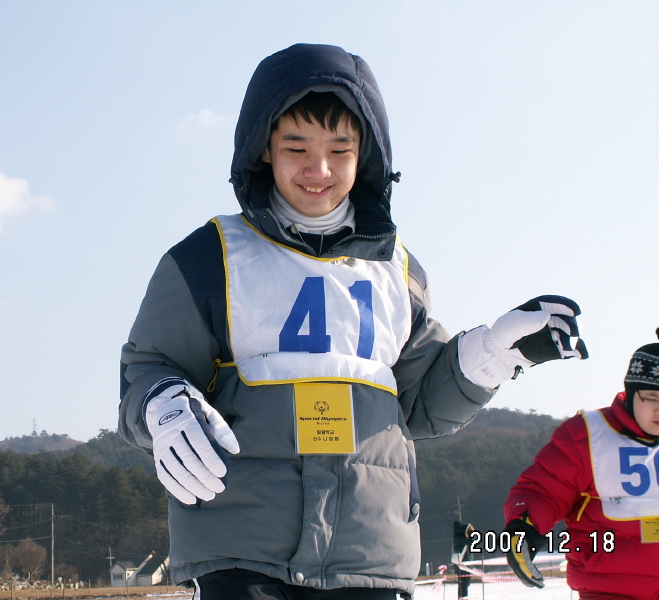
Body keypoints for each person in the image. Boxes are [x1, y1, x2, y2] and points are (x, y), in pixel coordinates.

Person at [118, 43, 587, 599]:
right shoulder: (209, 258)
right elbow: (150, 365)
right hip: (242, 551)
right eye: (296, 147)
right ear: (262, 148)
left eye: (340, 149)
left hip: (371, 552)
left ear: (367, 153)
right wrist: (162, 403)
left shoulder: (398, 270)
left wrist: (494, 354)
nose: (318, 170)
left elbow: (418, 404)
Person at [503, 322, 659, 600]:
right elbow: (542, 491)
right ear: (632, 394)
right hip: (608, 589)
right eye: (652, 398)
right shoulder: (586, 435)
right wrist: (523, 526)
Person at [451, 521, 475, 600]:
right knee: (464, 584)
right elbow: (473, 541)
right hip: (463, 566)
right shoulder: (460, 539)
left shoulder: (458, 538)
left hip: (462, 566)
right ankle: (463, 598)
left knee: (463, 584)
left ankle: (462, 598)